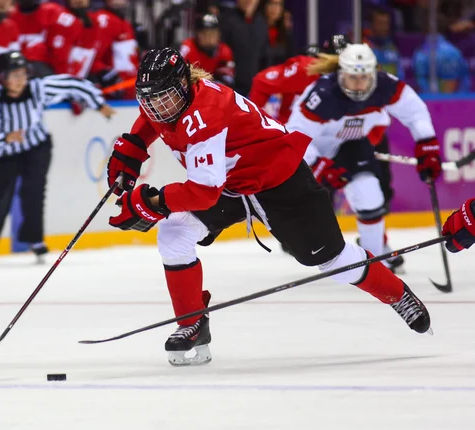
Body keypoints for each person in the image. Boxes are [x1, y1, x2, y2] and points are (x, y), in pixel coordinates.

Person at [105, 47, 432, 367]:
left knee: (333, 262)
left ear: (184, 85)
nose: (157, 108)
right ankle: (191, 322)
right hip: (231, 184)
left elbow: (203, 192)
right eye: (149, 99)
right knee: (174, 234)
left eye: (164, 98)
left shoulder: (204, 115)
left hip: (279, 180)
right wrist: (133, 147)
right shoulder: (176, 100)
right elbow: (154, 120)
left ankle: (397, 293)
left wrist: (151, 203)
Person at [286, 43, 442, 274]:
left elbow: (414, 111)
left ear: (374, 74)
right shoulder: (323, 94)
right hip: (315, 151)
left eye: (364, 78)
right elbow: (296, 137)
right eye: (352, 78)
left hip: (351, 145)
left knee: (370, 195)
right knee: (306, 207)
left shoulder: (385, 84)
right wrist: (318, 164)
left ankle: (375, 258)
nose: (358, 84)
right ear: (341, 74)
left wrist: (427, 143)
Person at [0, 51, 114, 260]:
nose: (20, 80)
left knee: (34, 192)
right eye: (14, 75)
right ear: (2, 77)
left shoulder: (37, 88)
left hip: (36, 147)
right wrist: (5, 138)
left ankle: (35, 239)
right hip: (4, 152)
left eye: (23, 74)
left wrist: (97, 103)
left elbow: (71, 84)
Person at [248, 35, 348, 124]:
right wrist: (255, 121)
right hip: (294, 135)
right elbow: (261, 81)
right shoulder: (305, 70)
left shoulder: (356, 77)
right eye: (337, 63)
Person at [65, 0, 139, 99]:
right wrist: (104, 72)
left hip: (130, 88)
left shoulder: (123, 22)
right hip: (115, 90)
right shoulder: (104, 20)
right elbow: (90, 56)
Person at [11, 0, 80, 78]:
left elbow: (60, 56)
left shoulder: (54, 13)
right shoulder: (8, 15)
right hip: (14, 70)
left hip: (47, 69)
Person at [219, 0, 269, 96]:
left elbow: (264, 57)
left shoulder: (261, 23)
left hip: (255, 90)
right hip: (230, 90)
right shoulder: (226, 21)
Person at [179, 14, 235, 88]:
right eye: (204, 33)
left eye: (213, 33)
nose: (209, 37)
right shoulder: (187, 49)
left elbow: (228, 81)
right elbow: (178, 78)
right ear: (197, 34)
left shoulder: (225, 51)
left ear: (219, 34)